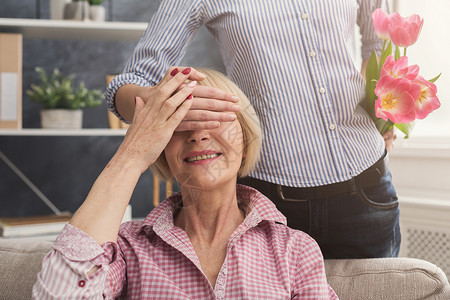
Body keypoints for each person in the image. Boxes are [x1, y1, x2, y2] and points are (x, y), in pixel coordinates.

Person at [105, 0, 400, 259]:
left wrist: (384, 116)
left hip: (366, 190)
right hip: (269, 203)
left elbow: (381, 48)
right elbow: (129, 81)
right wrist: (170, 104)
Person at [33, 69, 338, 299]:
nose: (198, 134)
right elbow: (59, 293)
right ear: (161, 147)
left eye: (215, 117)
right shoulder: (128, 248)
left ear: (245, 140)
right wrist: (132, 155)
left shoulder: (295, 250)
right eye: (181, 122)